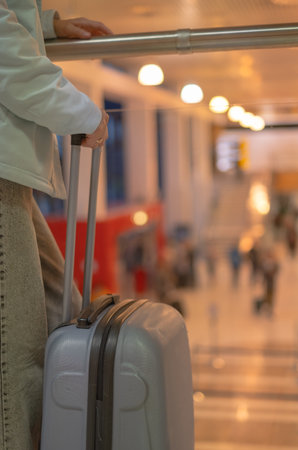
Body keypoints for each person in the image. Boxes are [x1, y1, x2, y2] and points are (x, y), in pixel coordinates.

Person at [0, 1, 112, 449]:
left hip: (12, 177)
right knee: (17, 354)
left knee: (61, 315)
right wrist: (80, 113)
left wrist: (45, 24)